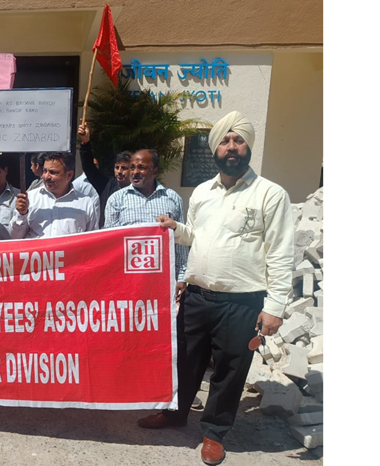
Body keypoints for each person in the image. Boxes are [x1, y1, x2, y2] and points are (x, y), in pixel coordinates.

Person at [137, 111, 294, 466]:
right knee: (185, 362)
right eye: (225, 140)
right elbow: (196, 235)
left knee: (229, 370)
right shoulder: (203, 192)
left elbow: (282, 253)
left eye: (238, 140)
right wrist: (176, 228)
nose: (232, 146)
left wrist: (275, 308)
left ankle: (213, 433)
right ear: (216, 148)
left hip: (242, 302)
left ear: (248, 146)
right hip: (196, 296)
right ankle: (175, 414)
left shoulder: (270, 194)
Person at [103, 149, 189, 301]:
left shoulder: (172, 198)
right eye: (132, 167)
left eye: (141, 167)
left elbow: (180, 243)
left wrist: (182, 277)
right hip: (127, 279)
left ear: (155, 171)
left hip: (162, 279)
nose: (135, 172)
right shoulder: (116, 200)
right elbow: (109, 243)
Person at [10, 152, 98, 239]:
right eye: (44, 171)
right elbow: (15, 236)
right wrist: (22, 214)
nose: (46, 176)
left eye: (53, 172)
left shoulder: (85, 204)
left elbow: (92, 241)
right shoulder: (30, 199)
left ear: (69, 175)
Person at [99, 151, 133, 227]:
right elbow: (89, 169)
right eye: (117, 167)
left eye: (124, 168)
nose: (119, 171)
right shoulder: (108, 186)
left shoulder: (140, 190)